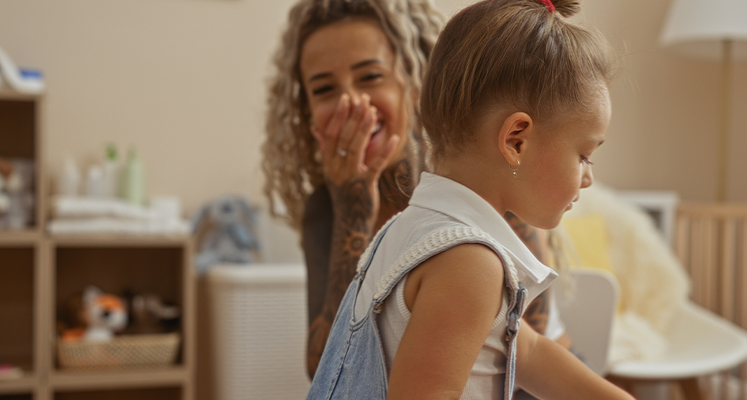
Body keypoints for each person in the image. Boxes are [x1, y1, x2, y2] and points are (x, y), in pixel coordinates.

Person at [305, 0, 633, 398]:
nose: (587, 177)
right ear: (516, 141)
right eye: (583, 155)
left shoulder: (408, 230)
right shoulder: (468, 262)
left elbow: (524, 349)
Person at [261, 0, 571, 379]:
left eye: (370, 77)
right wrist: (351, 210)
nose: (352, 102)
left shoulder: (482, 179)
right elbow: (328, 369)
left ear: (412, 83)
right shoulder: (326, 208)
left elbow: (525, 355)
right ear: (307, 112)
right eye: (324, 89)